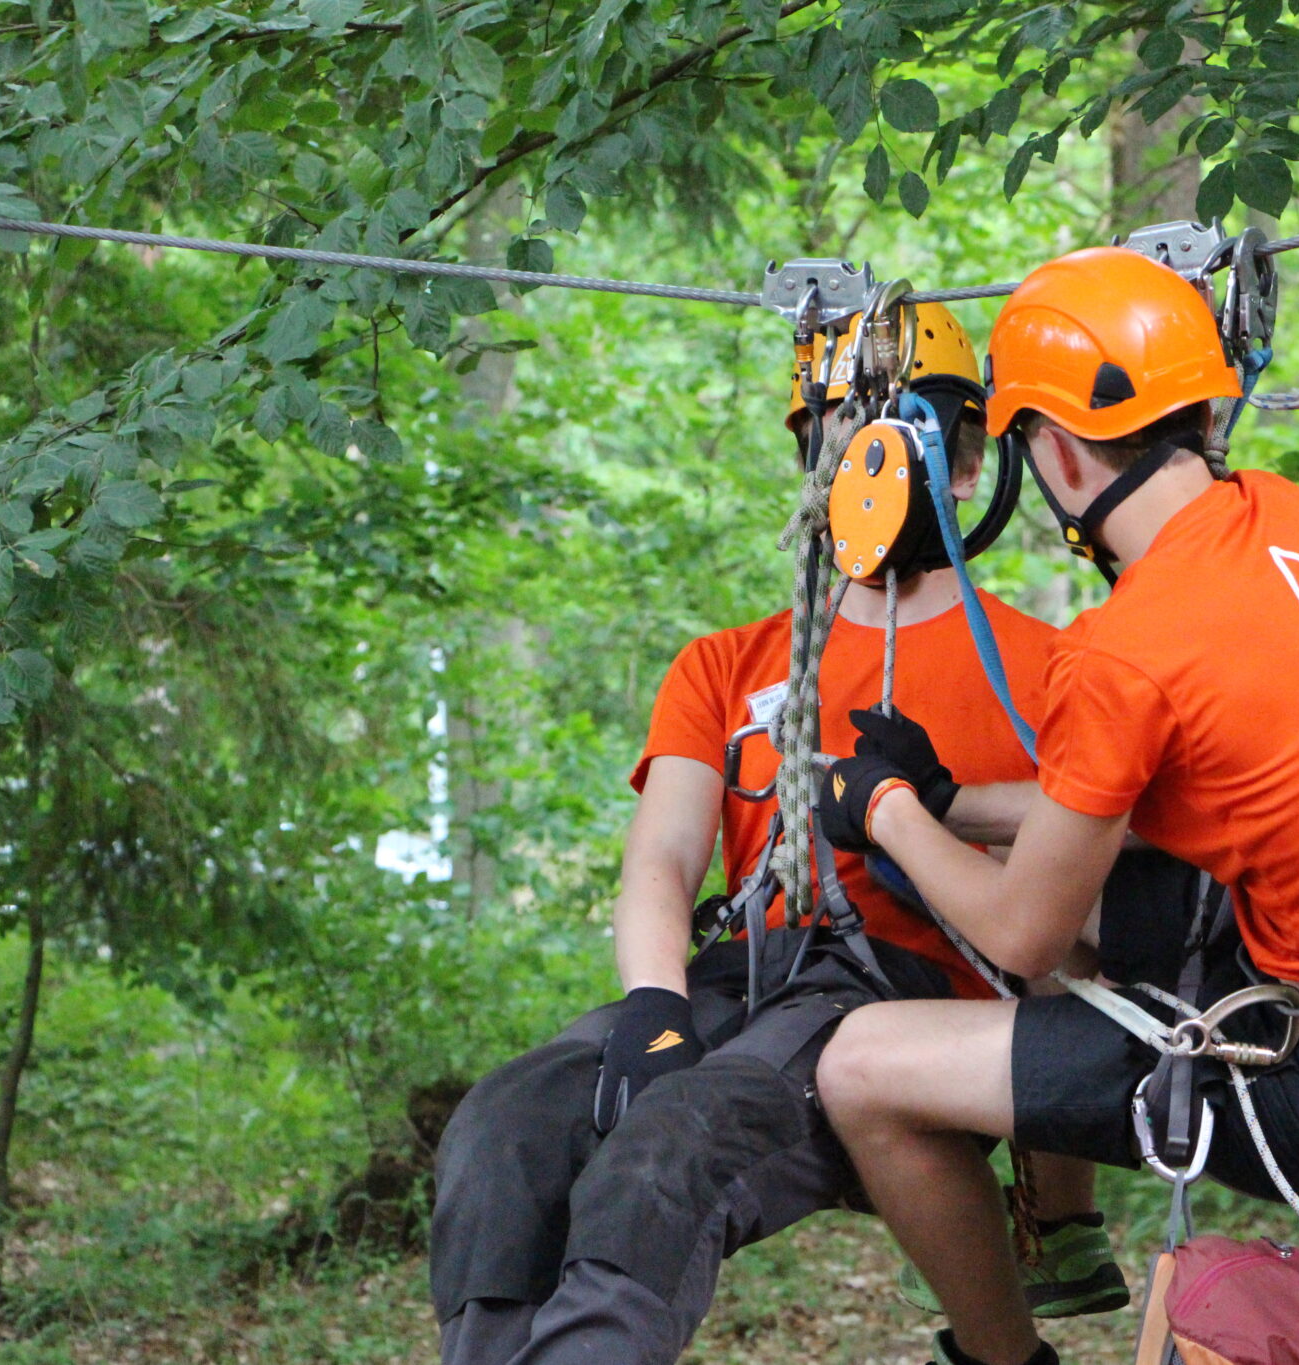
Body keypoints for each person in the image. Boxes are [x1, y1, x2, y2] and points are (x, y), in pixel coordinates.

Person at [811, 246, 1299, 1365]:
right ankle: (1062, 1228)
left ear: (1049, 449)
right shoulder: (1281, 520)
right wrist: (954, 802)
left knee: (858, 1067)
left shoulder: (1126, 651)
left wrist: (889, 808)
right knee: (1047, 905)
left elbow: (1018, 929)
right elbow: (1193, 797)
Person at [428, 303, 1123, 1365]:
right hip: (743, 971)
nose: (867, 467)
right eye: (840, 442)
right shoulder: (729, 665)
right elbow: (663, 854)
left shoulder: (1047, 671)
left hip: (910, 994)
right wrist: (653, 1003)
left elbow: (1097, 868)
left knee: (672, 1150)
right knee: (506, 1123)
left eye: (902, 440)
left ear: (971, 465)